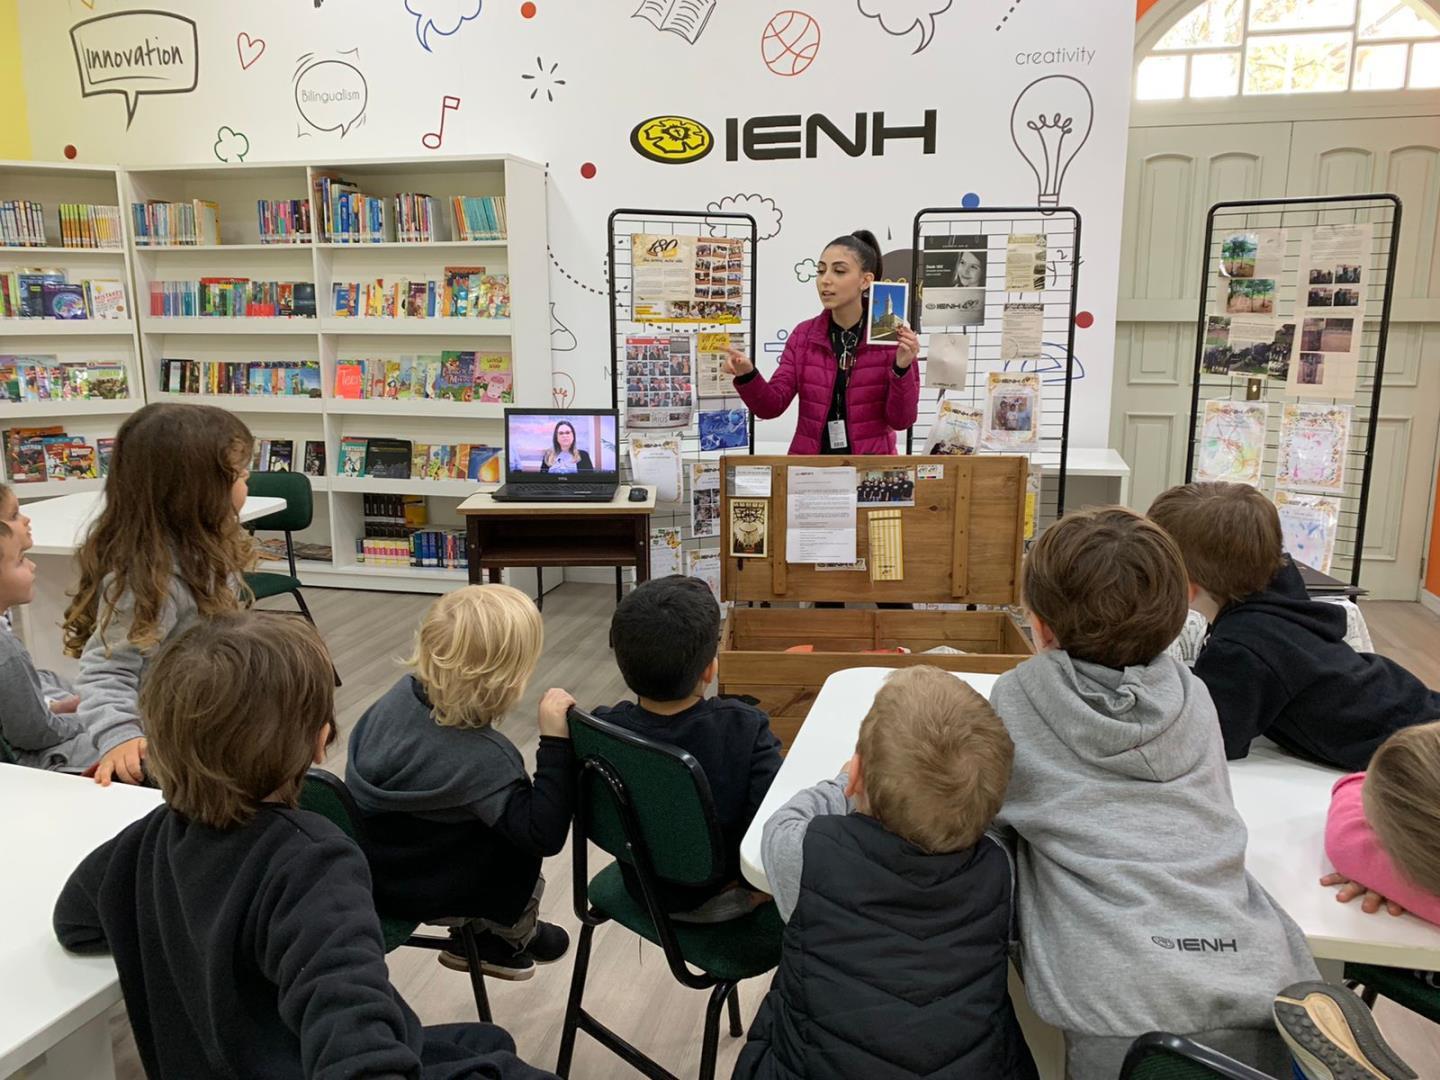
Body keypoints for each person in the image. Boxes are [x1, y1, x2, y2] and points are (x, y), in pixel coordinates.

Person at [53, 611, 554, 1080]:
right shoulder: (313, 862)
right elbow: (359, 1050)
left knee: (487, 1039)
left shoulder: (151, 838)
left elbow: (73, 921)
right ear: (320, 740)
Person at [991, 507, 1318, 1079]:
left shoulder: (1018, 696)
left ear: (1039, 626)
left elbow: (988, 815)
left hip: (1111, 993)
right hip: (1254, 975)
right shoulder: (1194, 696)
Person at [734, 666, 1037, 1079]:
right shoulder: (1002, 869)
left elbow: (782, 824)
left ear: (858, 776)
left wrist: (842, 781)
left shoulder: (806, 855)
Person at [346, 585, 575, 979]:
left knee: (486, 812)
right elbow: (545, 835)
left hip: (372, 866)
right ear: (508, 677)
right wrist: (556, 745)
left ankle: (497, 931)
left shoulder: (394, 701)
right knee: (516, 827)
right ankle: (506, 933)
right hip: (424, 886)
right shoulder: (487, 758)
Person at [1148, 482, 1440, 769]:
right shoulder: (1277, 592)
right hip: (1405, 704)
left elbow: (1217, 738)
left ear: (1183, 586)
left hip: (1415, 751)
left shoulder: (1242, 646)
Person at [62, 402, 259, 786]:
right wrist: (121, 736)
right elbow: (105, 671)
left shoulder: (205, 549)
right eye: (237, 473)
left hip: (204, 726)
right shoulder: (151, 579)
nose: (247, 479)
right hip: (167, 751)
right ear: (196, 490)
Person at [593, 575, 782, 921]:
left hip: (639, 885)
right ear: (709, 670)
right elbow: (766, 829)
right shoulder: (744, 728)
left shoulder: (603, 728)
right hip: (717, 892)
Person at [723, 229, 919, 454]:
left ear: (865, 280)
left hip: (870, 477)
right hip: (811, 474)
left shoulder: (892, 338)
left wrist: (902, 368)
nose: (825, 280)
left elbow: (901, 421)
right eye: (821, 270)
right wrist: (748, 374)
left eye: (839, 271)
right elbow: (770, 407)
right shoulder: (804, 336)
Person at [0, 521, 92, 770]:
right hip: (21, 760)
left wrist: (55, 707)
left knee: (52, 680)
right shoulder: (6, 651)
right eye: (20, 561)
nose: (32, 565)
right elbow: (34, 734)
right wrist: (86, 720)